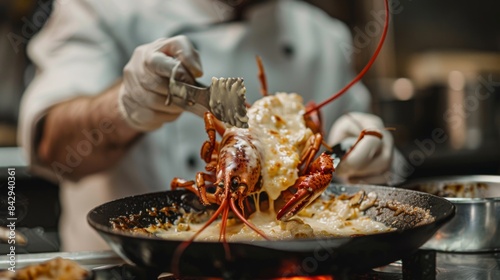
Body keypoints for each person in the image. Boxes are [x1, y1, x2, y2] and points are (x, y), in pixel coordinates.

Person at [18, 0, 399, 252]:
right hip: (134, 266)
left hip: (292, 268)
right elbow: (52, 148)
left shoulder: (319, 32)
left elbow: (357, 171)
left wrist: (365, 157)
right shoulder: (102, 7)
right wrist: (122, 108)